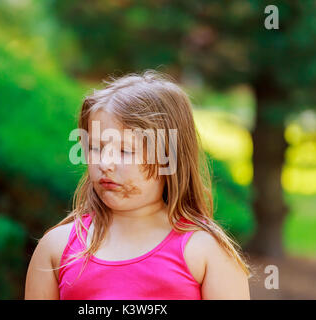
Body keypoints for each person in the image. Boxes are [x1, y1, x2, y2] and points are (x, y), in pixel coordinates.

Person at [25, 70, 251, 300]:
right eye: (95, 148)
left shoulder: (206, 253)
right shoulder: (57, 248)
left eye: (125, 151)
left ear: (169, 157)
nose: (105, 163)